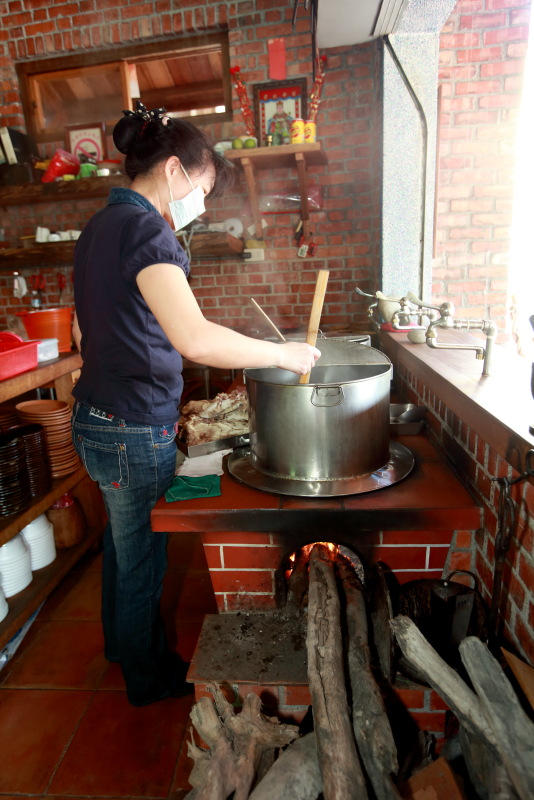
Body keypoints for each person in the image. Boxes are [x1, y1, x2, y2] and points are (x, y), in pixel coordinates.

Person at [70, 100, 320, 707]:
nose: (200, 206)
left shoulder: (100, 226)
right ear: (175, 171)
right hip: (130, 428)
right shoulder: (146, 230)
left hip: (96, 419)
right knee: (142, 561)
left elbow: (84, 335)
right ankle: (147, 676)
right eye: (203, 190)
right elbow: (196, 338)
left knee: (122, 547)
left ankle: (119, 646)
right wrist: (282, 355)